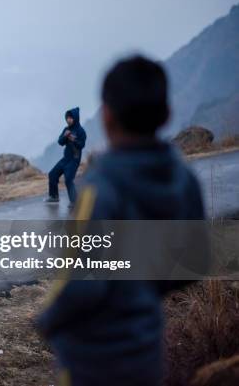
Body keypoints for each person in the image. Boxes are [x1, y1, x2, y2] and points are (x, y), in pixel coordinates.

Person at [36, 56, 205, 385]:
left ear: (108, 115)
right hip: (146, 350)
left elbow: (80, 282)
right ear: (167, 115)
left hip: (92, 360)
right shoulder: (185, 179)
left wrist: (47, 321)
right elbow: (195, 263)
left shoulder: (101, 189)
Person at [45, 107, 86, 207]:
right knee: (52, 174)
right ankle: (54, 196)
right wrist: (65, 136)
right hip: (65, 158)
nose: (68, 120)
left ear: (75, 118)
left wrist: (73, 139)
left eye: (71, 118)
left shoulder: (81, 131)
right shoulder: (66, 129)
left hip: (74, 160)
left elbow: (82, 145)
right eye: (67, 118)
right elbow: (60, 142)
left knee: (68, 179)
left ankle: (75, 202)